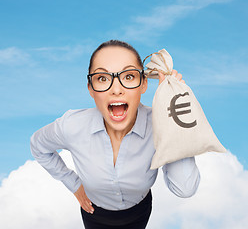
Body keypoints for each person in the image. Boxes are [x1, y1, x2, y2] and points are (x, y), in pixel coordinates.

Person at [30, 40, 200, 229]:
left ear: (143, 84)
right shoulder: (71, 126)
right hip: (94, 213)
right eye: (102, 78)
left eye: (128, 76)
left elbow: (185, 188)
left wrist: (172, 114)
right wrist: (74, 184)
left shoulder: (160, 124)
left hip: (139, 211)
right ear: (90, 89)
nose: (116, 89)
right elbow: (38, 146)